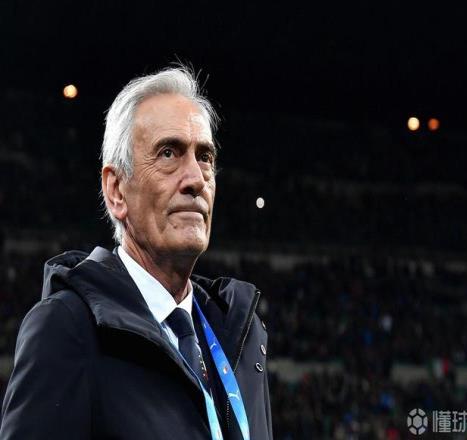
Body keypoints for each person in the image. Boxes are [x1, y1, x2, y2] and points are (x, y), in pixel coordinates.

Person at [0, 66, 273, 440]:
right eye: (168, 153)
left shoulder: (242, 333)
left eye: (205, 157)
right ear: (116, 191)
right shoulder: (69, 328)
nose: (196, 179)